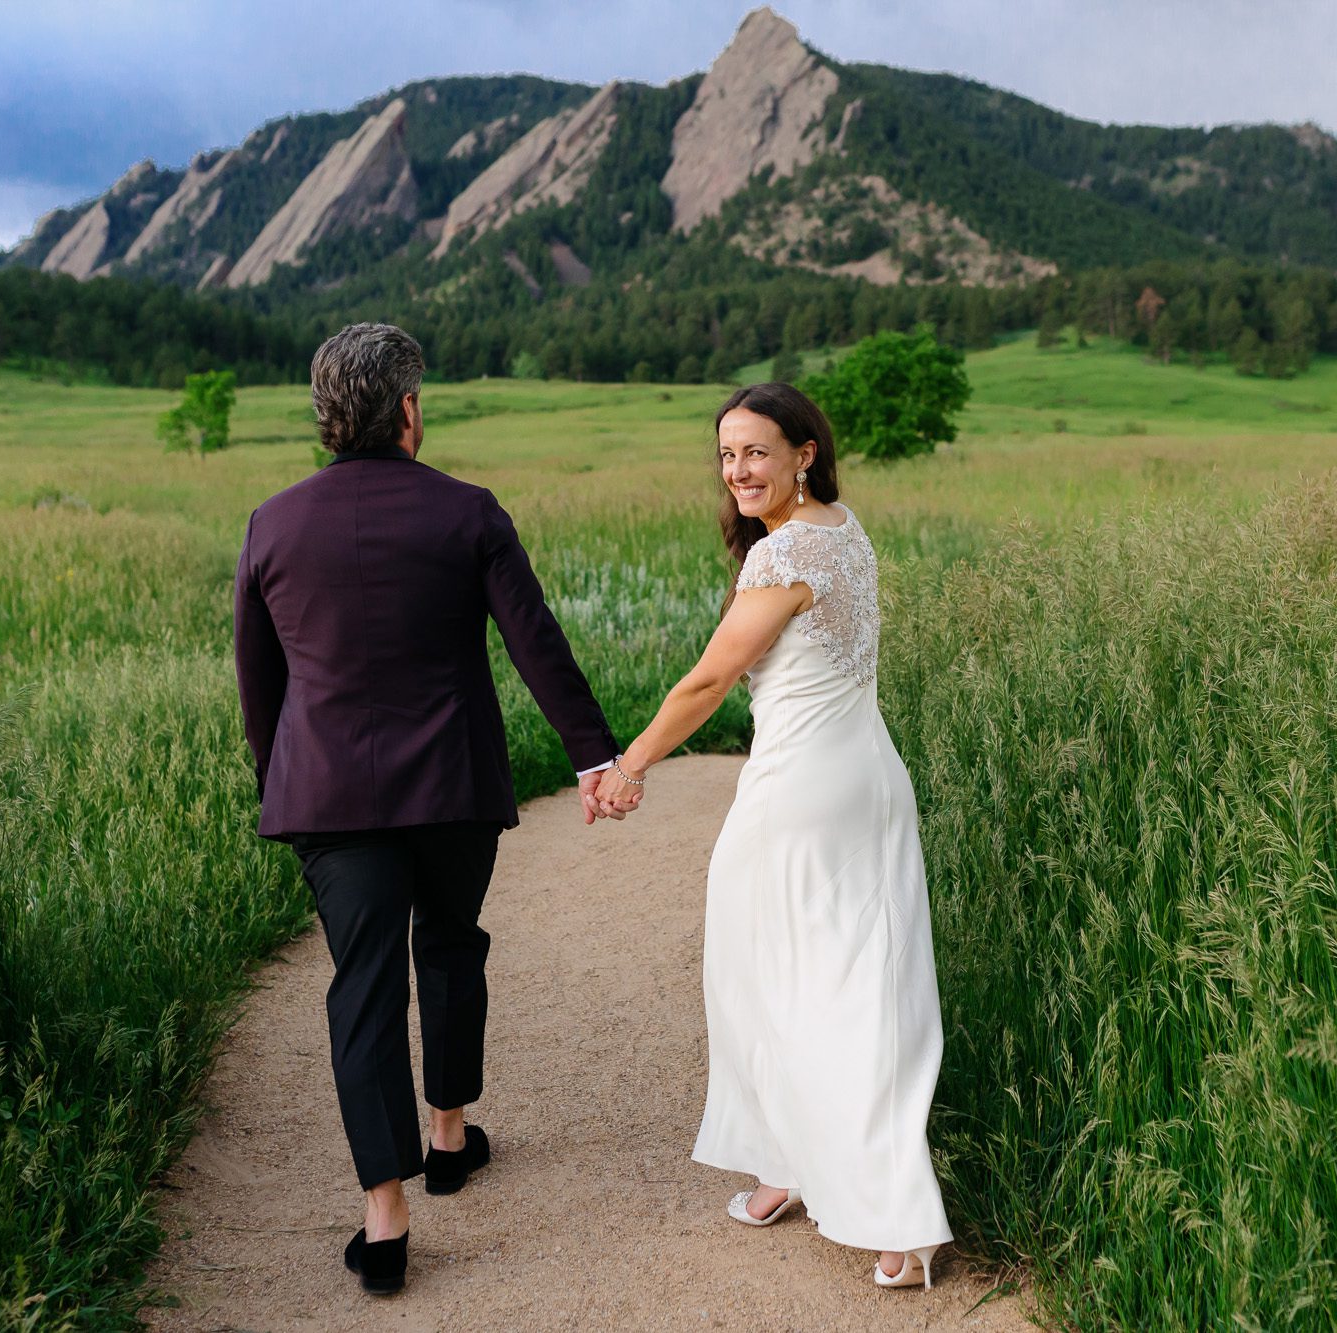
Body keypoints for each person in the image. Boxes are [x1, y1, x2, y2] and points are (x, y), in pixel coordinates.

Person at [232, 322, 627, 1296]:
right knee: (450, 944)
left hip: (328, 798)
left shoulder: (272, 523)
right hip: (450, 783)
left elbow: (258, 681)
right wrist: (591, 755)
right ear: (408, 408)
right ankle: (448, 1137)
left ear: (328, 413)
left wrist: (278, 782)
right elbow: (534, 640)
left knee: (361, 985)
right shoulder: (468, 512)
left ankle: (385, 1217)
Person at [596, 382, 952, 1290]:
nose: (737, 470)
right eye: (726, 454)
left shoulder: (784, 555)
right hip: (867, 779)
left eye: (756, 451)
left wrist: (628, 766)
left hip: (803, 795)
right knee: (816, 977)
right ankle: (791, 1165)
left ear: (803, 451)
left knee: (815, 990)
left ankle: (896, 1212)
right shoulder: (842, 526)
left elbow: (708, 682)